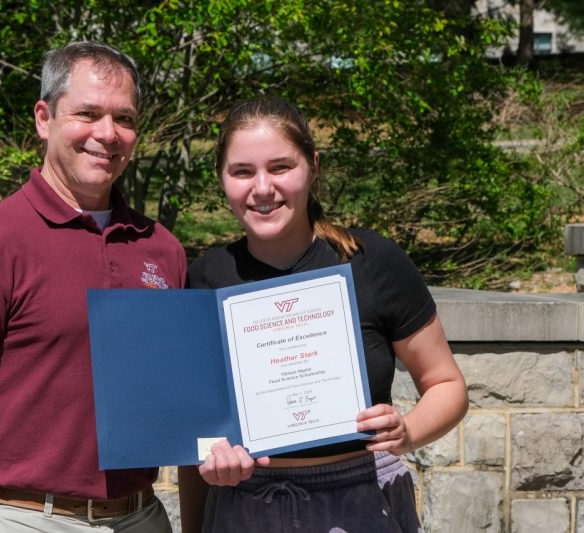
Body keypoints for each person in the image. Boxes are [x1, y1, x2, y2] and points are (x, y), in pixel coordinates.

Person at [0, 41, 187, 533]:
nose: (107, 133)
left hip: (141, 515)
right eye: (87, 113)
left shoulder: (161, 249)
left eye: (124, 118)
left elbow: (183, 402)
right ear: (44, 118)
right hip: (27, 520)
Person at [179, 96, 468, 532]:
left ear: (313, 166)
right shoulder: (206, 278)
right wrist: (211, 465)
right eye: (242, 171)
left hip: (364, 502)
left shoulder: (371, 261)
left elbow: (447, 385)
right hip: (244, 508)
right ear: (222, 178)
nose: (261, 188)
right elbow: (194, 432)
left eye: (280, 167)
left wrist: (407, 431)